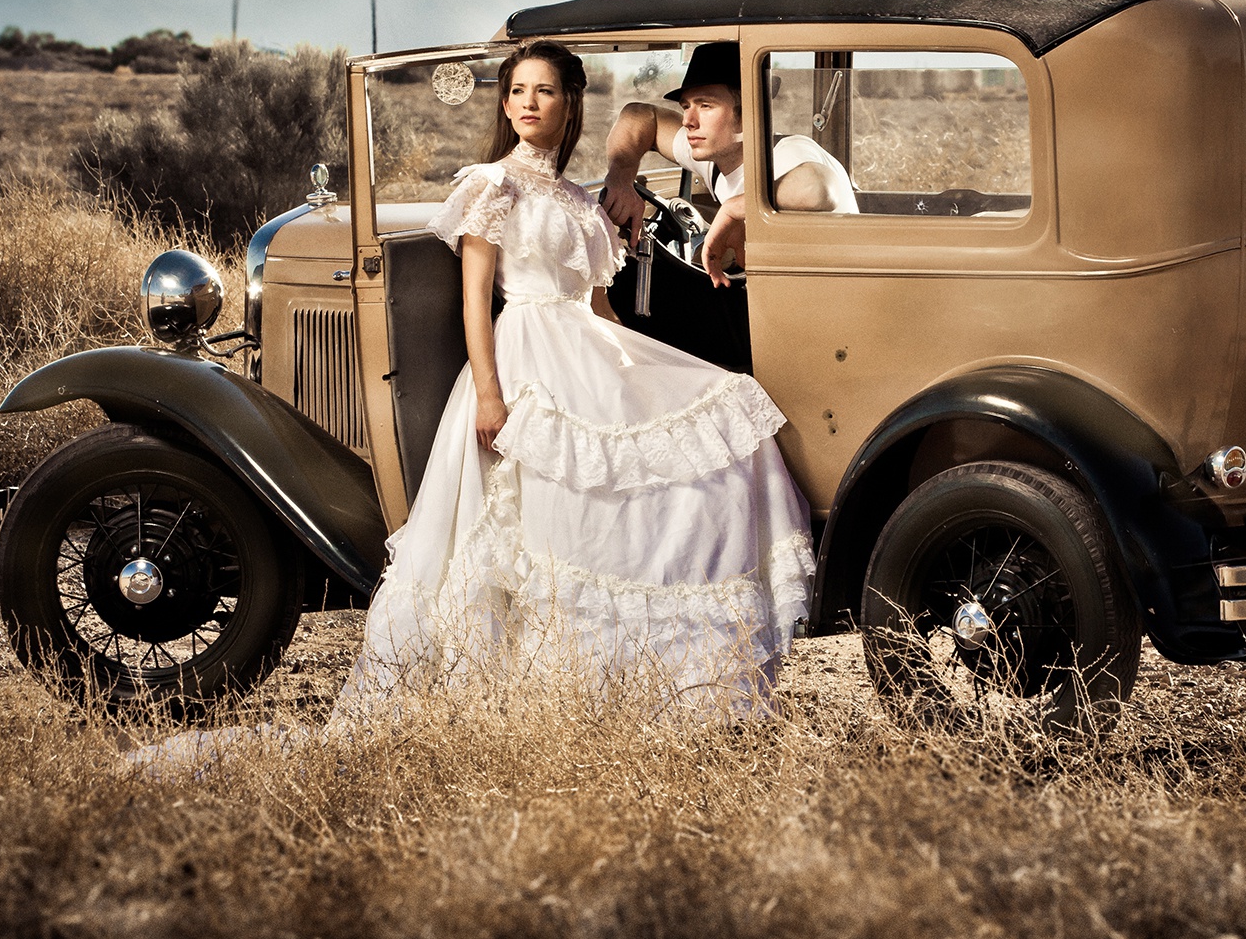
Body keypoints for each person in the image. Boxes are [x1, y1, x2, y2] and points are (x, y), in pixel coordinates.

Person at [327, 39, 815, 724]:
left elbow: (599, 307)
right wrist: (491, 394)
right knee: (547, 515)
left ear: (569, 104)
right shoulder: (490, 184)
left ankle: (660, 668)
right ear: (505, 103)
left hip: (584, 343)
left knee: (727, 420)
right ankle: (540, 675)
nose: (528, 103)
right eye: (517, 91)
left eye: (544, 91)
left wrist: (642, 368)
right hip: (524, 354)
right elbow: (477, 301)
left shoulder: (578, 198)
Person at [600, 42, 857, 285]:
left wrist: (732, 210)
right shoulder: (715, 157)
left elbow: (818, 190)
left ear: (746, 113)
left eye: (706, 106)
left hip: (837, 300)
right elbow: (639, 116)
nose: (687, 120)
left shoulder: (790, 153)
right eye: (686, 106)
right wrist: (621, 177)